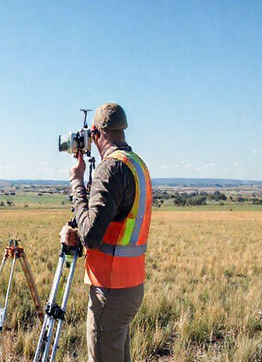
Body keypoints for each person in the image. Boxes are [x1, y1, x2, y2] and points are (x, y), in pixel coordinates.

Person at [61, 103, 152, 362]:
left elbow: (91, 235)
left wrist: (77, 183)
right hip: (131, 285)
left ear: (96, 132)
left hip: (110, 288)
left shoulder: (111, 168)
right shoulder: (137, 165)